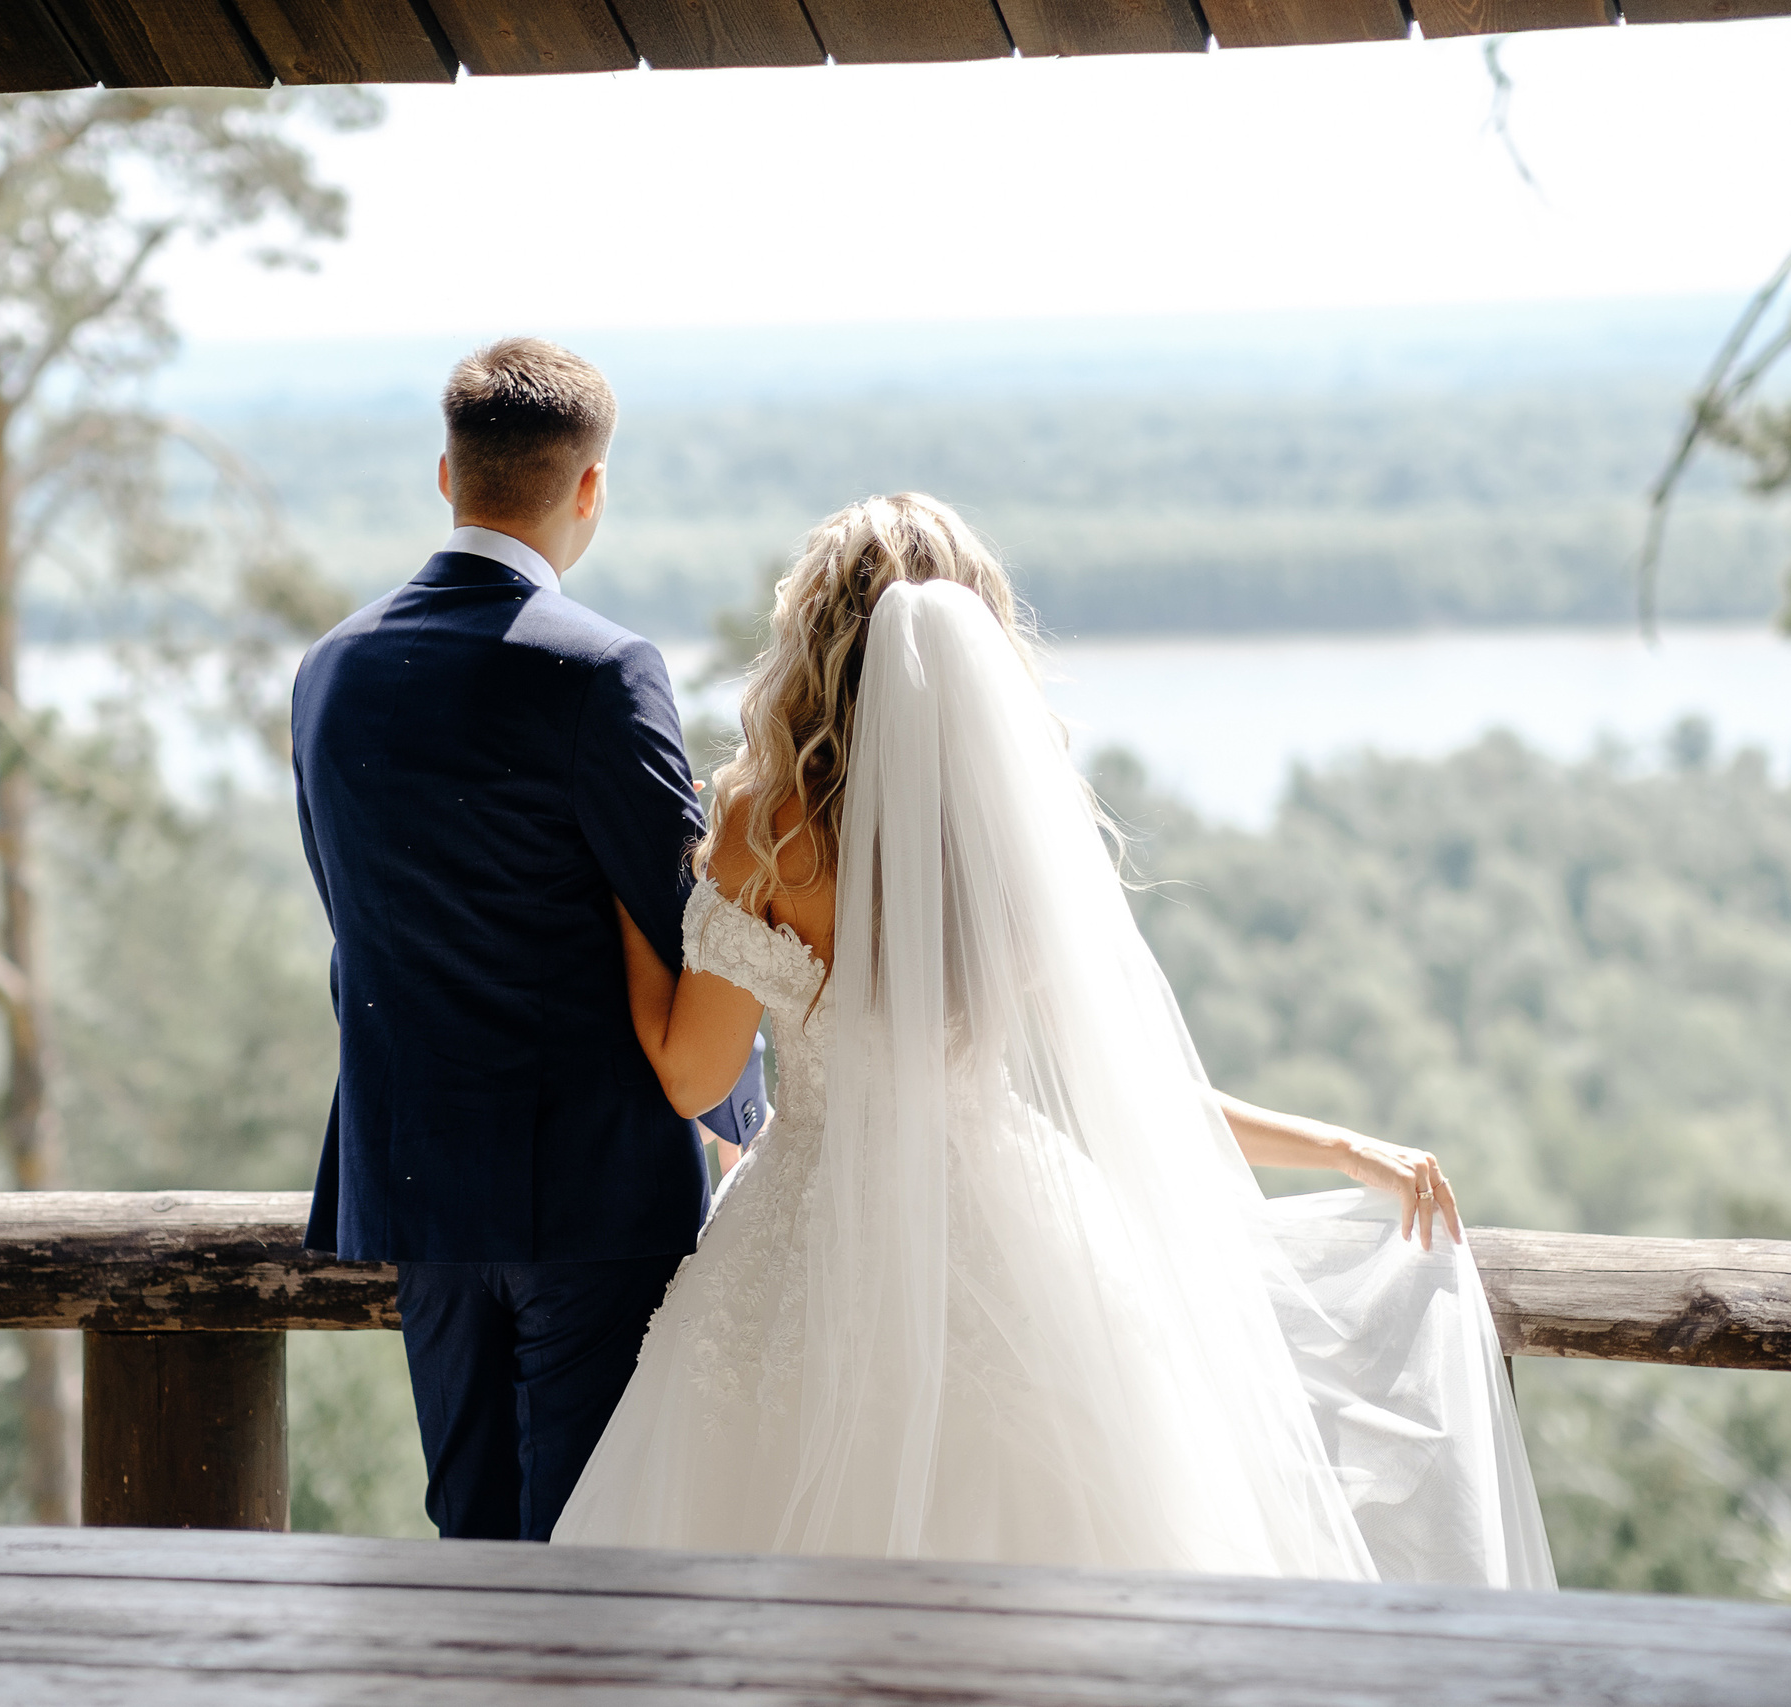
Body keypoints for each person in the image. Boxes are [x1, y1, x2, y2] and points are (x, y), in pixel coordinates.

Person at [553, 494, 1555, 1586]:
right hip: (1016, 1232)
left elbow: (692, 1073)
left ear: (812, 637)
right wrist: (1344, 1148)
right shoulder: (1007, 842)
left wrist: (631, 913)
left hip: (806, 1233)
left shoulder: (761, 827)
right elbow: (1130, 1084)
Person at [293, 338, 764, 1542]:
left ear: (445, 475)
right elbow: (698, 932)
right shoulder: (602, 671)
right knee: (590, 1549)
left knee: (471, 1536)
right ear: (589, 487)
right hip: (595, 1188)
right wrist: (748, 1128)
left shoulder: (329, 670)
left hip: (417, 1185)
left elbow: (356, 920)